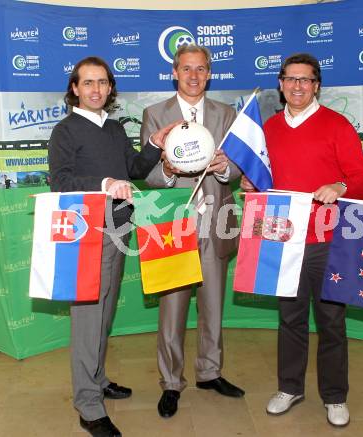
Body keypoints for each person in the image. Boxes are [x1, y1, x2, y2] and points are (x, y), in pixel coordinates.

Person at [241, 53, 363, 427]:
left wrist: (340, 185)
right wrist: (250, 184)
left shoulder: (337, 125)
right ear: (281, 84)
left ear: (316, 85)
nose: (297, 86)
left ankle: (335, 396)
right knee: (290, 318)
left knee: (332, 321)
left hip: (328, 239)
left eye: (306, 79)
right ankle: (290, 387)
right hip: (283, 239)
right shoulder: (268, 127)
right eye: (290, 79)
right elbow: (259, 177)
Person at [48, 56, 175, 437]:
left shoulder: (116, 128)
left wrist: (154, 145)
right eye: (88, 83)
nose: (96, 90)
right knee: (88, 322)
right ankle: (88, 405)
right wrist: (104, 183)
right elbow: (61, 181)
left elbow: (134, 170)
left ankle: (98, 379)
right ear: (75, 88)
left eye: (102, 82)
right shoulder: (65, 131)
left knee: (102, 317)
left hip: (119, 229)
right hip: (87, 236)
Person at [140, 44, 245, 419]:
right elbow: (147, 173)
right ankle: (171, 382)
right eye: (187, 69)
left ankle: (209, 372)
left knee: (213, 305)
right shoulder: (155, 115)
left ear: (209, 73)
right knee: (172, 310)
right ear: (174, 72)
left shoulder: (226, 114)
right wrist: (167, 169)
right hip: (174, 224)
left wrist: (222, 168)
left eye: (201, 69)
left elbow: (237, 169)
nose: (194, 76)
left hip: (216, 220)